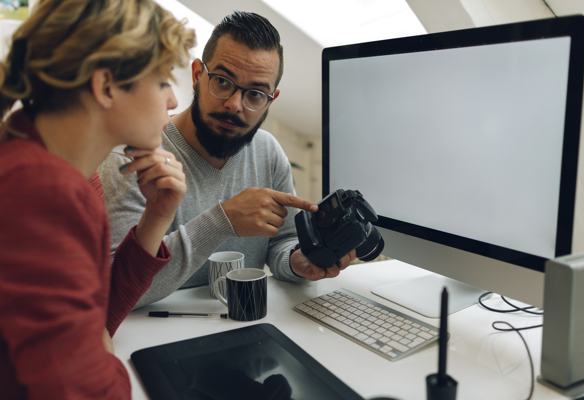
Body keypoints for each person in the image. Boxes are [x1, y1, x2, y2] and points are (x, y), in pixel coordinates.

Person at [0, 0, 195, 398]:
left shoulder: (70, 176)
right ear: (106, 85)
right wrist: (105, 357)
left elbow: (93, 321)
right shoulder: (42, 192)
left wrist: (157, 216)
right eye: (161, 82)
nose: (173, 101)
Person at [100, 11, 357, 308]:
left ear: (271, 99)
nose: (235, 104)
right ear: (197, 74)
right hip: (146, 338)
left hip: (242, 328)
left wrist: (297, 262)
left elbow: (281, 242)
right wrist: (222, 221)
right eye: (222, 82)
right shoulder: (135, 158)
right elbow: (117, 290)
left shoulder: (267, 152)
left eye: (256, 94)